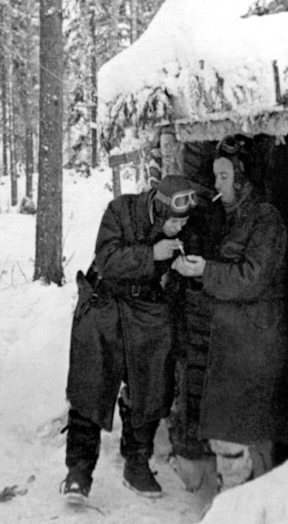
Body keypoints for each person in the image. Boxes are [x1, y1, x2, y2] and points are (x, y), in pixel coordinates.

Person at [171, 134, 288, 490]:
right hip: (231, 342)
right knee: (228, 431)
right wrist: (194, 269)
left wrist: (205, 271)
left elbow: (251, 278)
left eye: (224, 176)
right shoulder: (229, 217)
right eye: (216, 176)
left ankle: (243, 500)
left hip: (254, 342)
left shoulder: (266, 219)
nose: (217, 184)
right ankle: (235, 496)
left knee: (239, 432)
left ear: (243, 178)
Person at [62, 174, 197, 505]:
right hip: (105, 303)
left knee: (152, 385)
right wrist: (152, 253)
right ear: (161, 210)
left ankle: (137, 463)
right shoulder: (121, 210)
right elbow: (106, 259)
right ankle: (78, 473)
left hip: (148, 307)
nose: (180, 228)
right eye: (175, 221)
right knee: (90, 386)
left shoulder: (181, 228)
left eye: (184, 222)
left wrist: (181, 267)